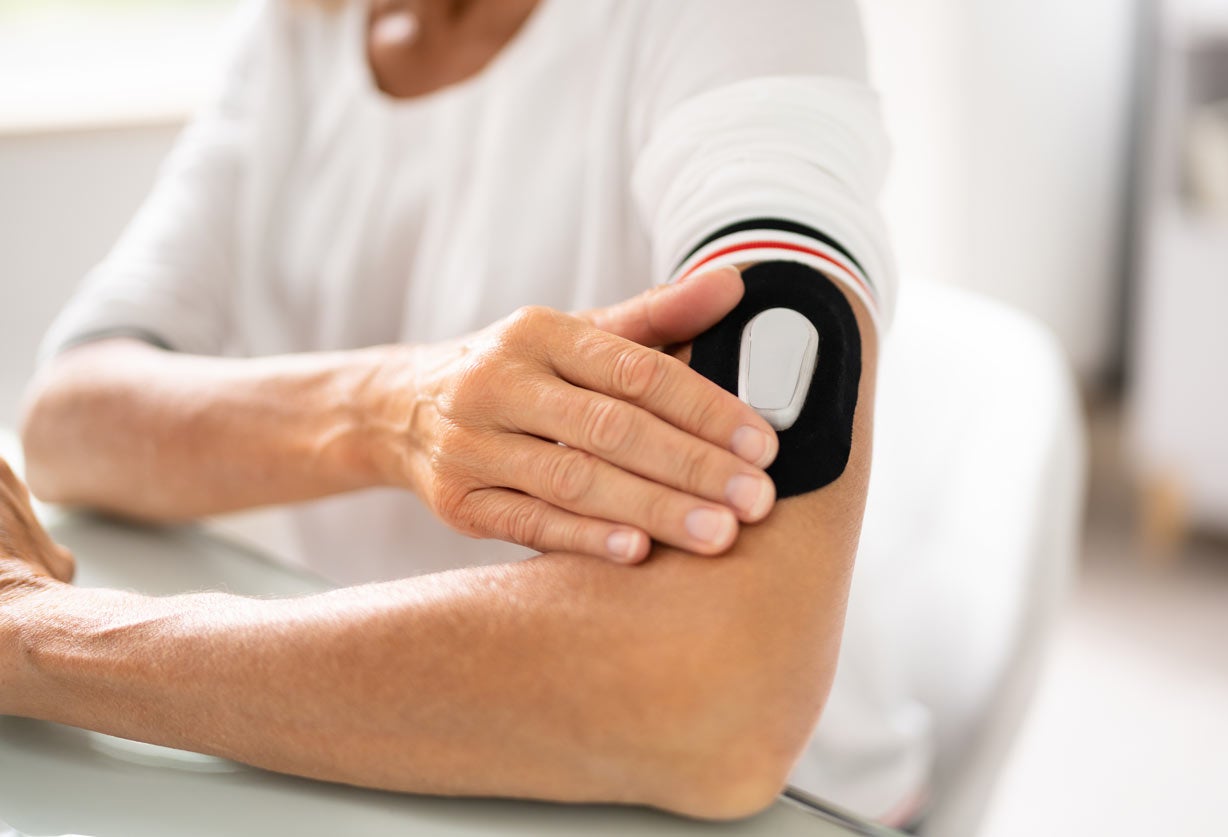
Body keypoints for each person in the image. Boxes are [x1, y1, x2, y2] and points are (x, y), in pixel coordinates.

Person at [4, 0, 918, 826]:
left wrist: (42, 638)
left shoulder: (734, 23)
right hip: (390, 757)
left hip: (795, 801)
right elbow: (69, 421)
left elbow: (720, 693)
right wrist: (389, 409)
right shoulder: (296, 33)